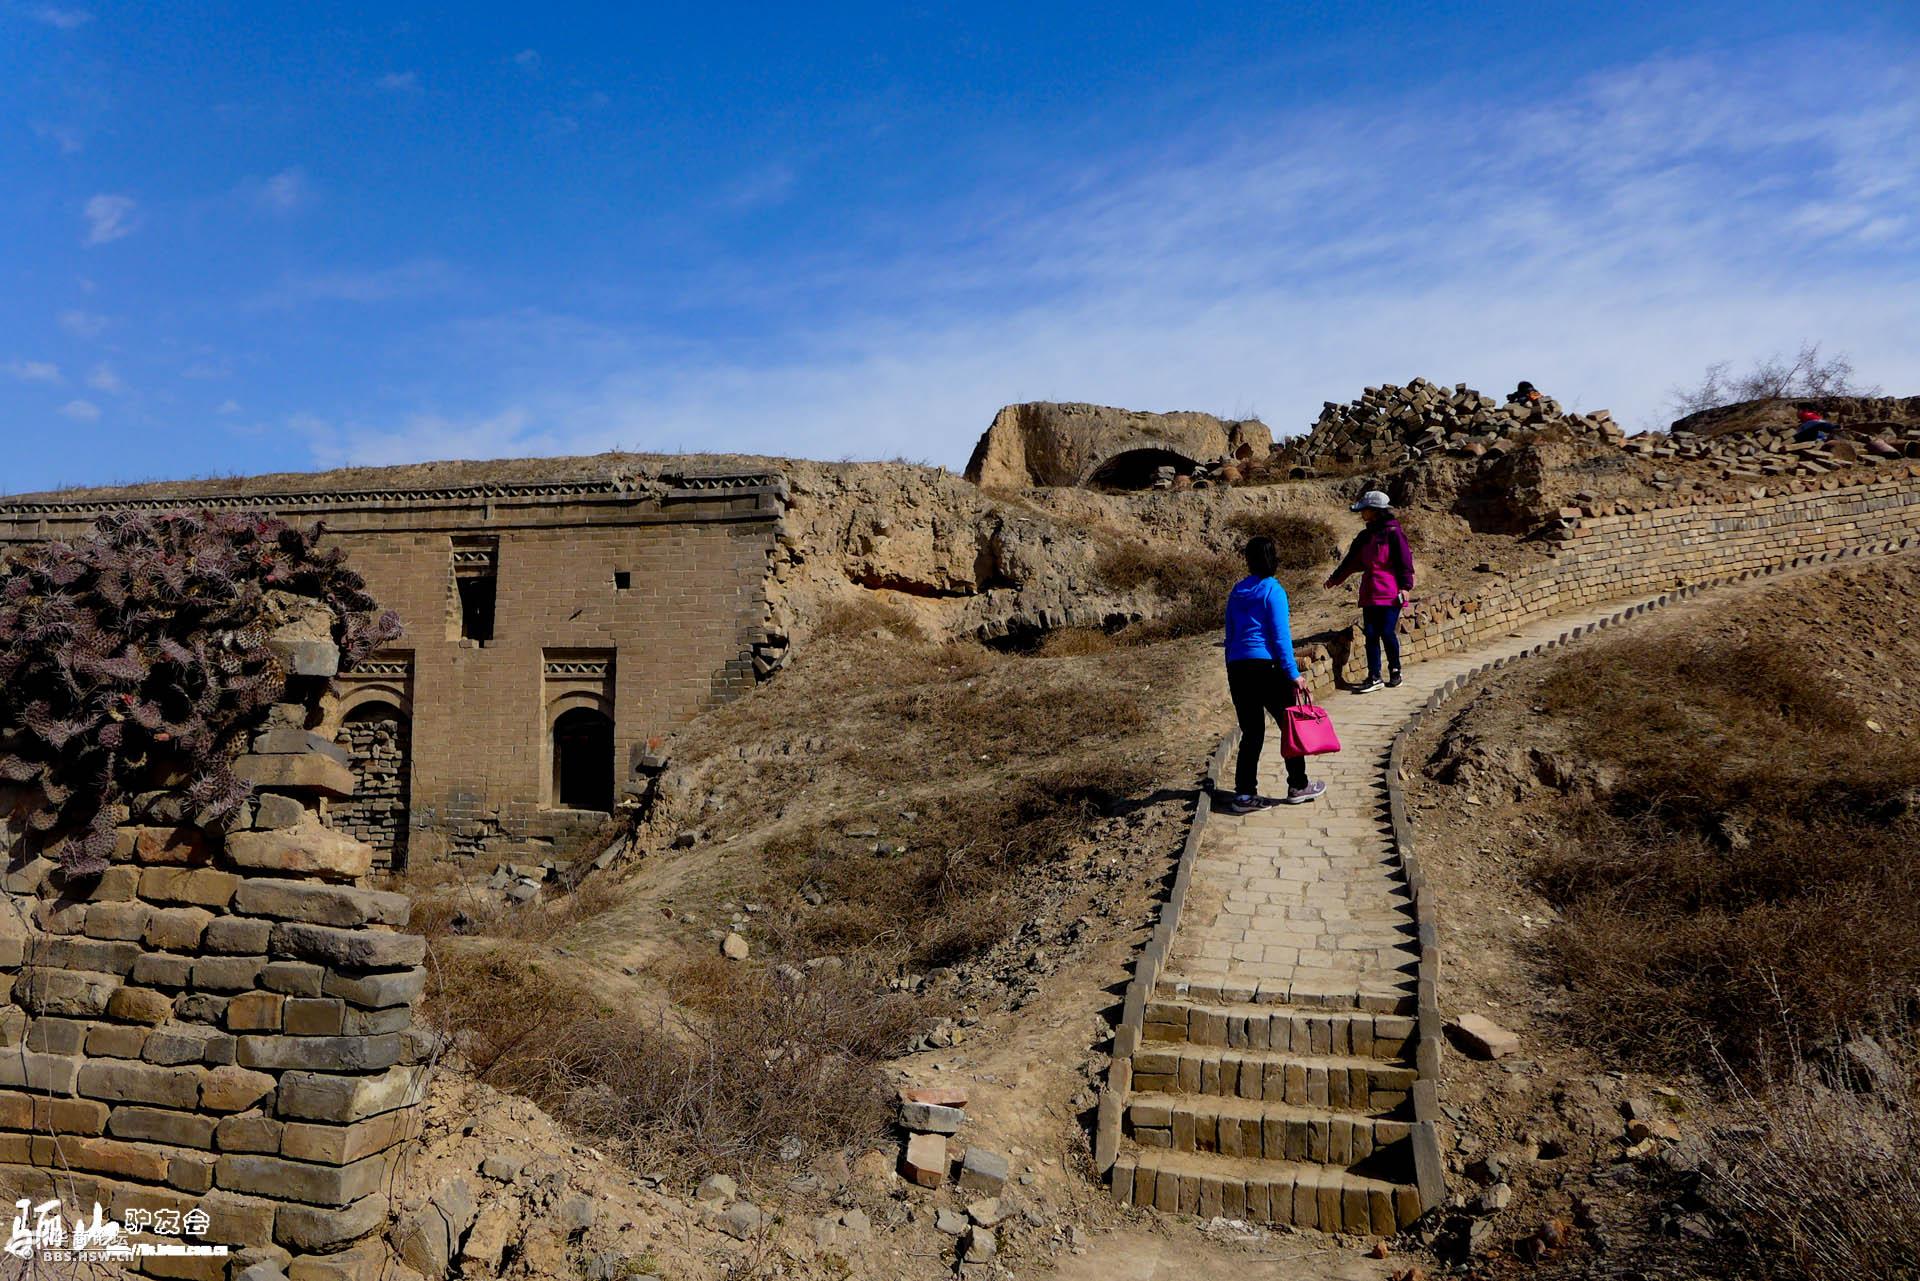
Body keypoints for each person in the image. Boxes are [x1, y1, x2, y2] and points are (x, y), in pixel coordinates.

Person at [1221, 536, 1327, 814]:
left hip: (1238, 667)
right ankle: (1298, 786)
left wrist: (1232, 667)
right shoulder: (1273, 591)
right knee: (1289, 727)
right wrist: (1293, 673)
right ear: (1273, 558)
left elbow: (1230, 635)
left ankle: (1243, 796)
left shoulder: (1237, 591)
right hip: (1267, 667)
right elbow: (1281, 638)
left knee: (1252, 733)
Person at [1325, 490, 1415, 693]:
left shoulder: (1393, 533)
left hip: (1390, 590)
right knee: (1371, 634)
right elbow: (1350, 561)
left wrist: (1405, 586)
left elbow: (1404, 562)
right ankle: (1374, 676)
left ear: (1374, 511)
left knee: (1386, 631)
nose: (1361, 514)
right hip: (1370, 590)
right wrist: (1335, 579)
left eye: (1364, 510)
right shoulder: (1365, 536)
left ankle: (1395, 670)